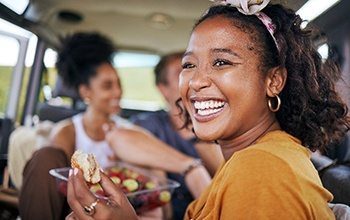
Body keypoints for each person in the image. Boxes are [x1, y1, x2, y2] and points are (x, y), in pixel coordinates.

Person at [66, 0, 350, 219]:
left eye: (222, 62)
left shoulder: (262, 167)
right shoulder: (255, 160)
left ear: (273, 81)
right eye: (189, 65)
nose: (197, 81)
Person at [18, 32, 134, 220]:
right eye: (108, 86)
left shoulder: (127, 131)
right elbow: (57, 184)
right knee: (46, 155)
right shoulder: (67, 131)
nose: (118, 92)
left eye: (119, 84)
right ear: (85, 92)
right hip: (75, 206)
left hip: (119, 208)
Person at [129, 51, 223, 219]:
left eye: (194, 69)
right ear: (163, 89)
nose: (193, 79)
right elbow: (120, 137)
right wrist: (191, 167)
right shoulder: (151, 124)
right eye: (183, 72)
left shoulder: (219, 127)